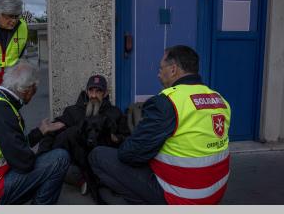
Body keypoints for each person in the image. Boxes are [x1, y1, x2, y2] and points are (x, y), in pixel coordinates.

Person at [88, 45, 231, 205]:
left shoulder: (168, 102)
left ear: (173, 69)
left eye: (160, 68)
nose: (158, 74)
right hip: (214, 194)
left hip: (182, 198)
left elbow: (131, 154)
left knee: (98, 155)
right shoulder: (219, 99)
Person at [0, 60, 70, 205]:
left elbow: (11, 145)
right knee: (59, 158)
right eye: (35, 90)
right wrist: (42, 161)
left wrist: (40, 131)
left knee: (43, 168)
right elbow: (23, 162)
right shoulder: (0, 111)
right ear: (29, 89)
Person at [38, 74, 129, 196]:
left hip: (103, 161)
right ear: (86, 91)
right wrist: (42, 157)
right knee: (61, 167)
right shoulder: (73, 111)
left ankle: (96, 181)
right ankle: (87, 181)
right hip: (77, 164)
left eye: (98, 91)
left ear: (106, 93)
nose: (94, 95)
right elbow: (53, 132)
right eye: (91, 90)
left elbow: (127, 137)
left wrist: (116, 138)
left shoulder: (115, 113)